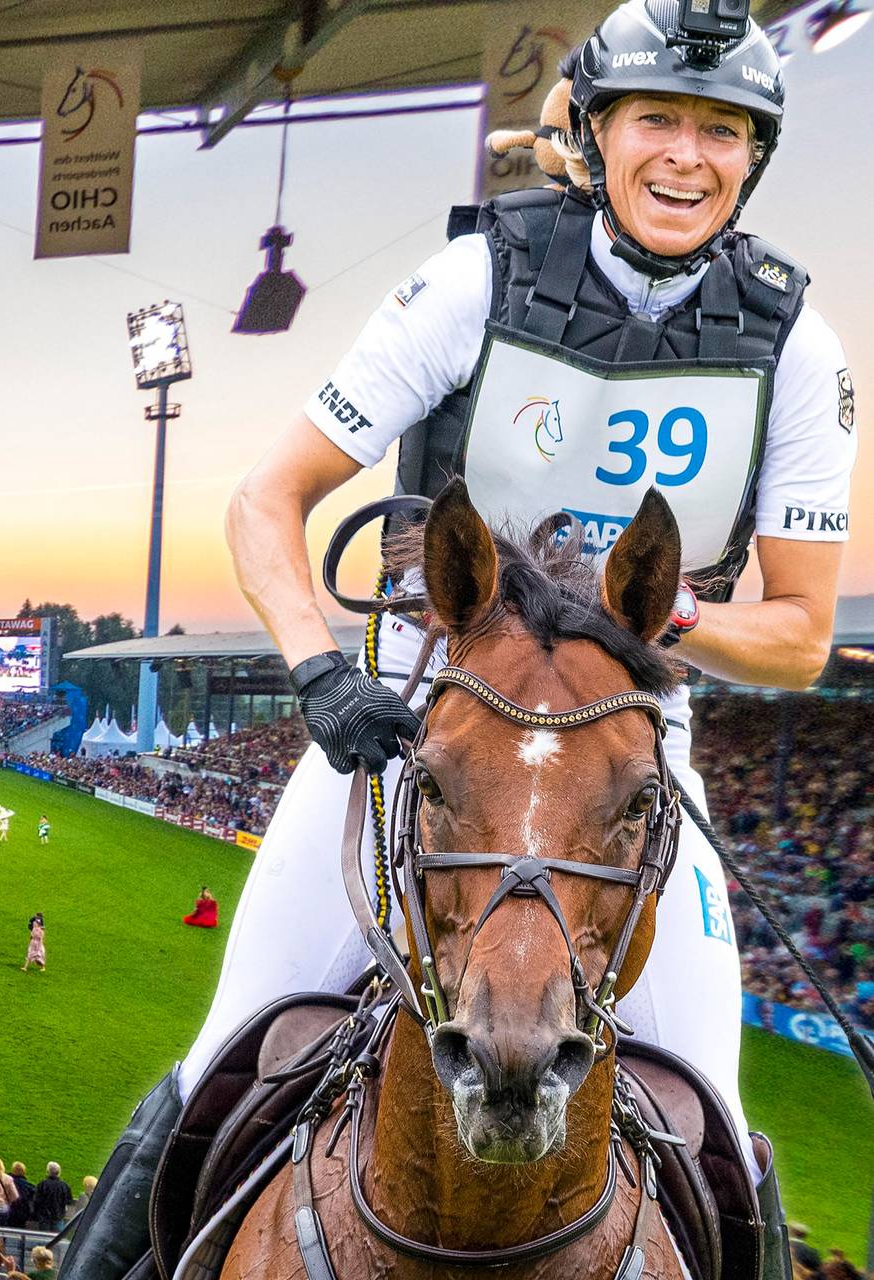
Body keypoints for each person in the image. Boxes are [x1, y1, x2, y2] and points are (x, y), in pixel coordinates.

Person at [61, 6, 849, 1277]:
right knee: (218, 1062)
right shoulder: (477, 278)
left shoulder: (799, 347)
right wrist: (322, 670)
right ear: (594, 132)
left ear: (752, 155)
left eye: (722, 130)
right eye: (659, 119)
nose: (688, 157)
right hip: (415, 729)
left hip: (624, 763)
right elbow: (267, 498)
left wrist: (661, 619)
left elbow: (804, 635)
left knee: (723, 1127)